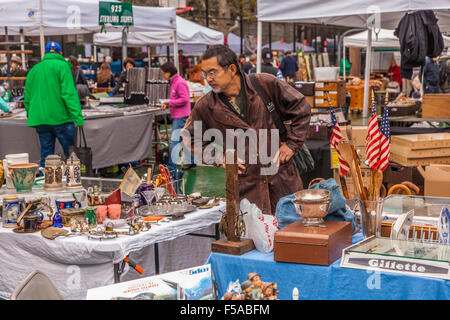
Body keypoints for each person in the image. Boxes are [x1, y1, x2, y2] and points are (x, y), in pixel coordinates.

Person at [182, 45, 311, 215]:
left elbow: (301, 106)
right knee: (253, 237)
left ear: (232, 69)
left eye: (213, 72)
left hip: (282, 179)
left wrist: (292, 144)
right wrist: (220, 158)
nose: (208, 79)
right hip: (247, 187)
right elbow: (190, 136)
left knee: (289, 232)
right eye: (205, 74)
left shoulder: (265, 84)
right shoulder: (206, 105)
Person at [24, 41, 84, 168]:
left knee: (46, 157)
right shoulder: (63, 67)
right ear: (60, 53)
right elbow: (69, 94)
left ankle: (45, 183)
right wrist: (78, 117)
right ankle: (73, 183)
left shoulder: (34, 70)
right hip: (62, 119)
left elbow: (27, 98)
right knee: (71, 156)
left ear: (45, 53)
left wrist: (31, 114)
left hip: (41, 120)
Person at [160, 61, 196, 171]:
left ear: (168, 72)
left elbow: (185, 99)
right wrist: (168, 104)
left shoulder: (179, 82)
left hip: (181, 116)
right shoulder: (175, 82)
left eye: (163, 73)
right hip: (179, 115)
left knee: (174, 141)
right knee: (182, 139)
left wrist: (169, 102)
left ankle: (171, 166)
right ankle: (191, 161)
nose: (162, 75)